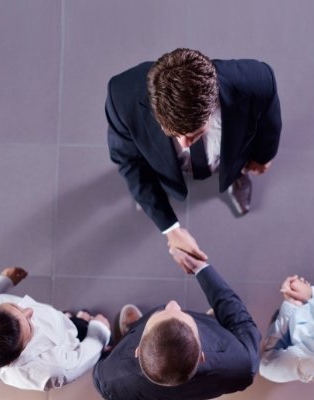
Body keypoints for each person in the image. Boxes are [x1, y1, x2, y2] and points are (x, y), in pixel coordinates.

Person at [106, 48, 282, 267]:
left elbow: (270, 121)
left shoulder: (256, 80)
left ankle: (236, 178)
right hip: (163, 167)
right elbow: (128, 161)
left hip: (231, 156)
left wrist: (264, 156)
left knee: (236, 169)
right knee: (150, 186)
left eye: (194, 135)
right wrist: (170, 229)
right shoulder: (121, 94)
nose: (183, 145)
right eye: (173, 134)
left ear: (212, 104)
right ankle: (157, 194)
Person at [92, 249, 261, 400]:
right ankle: (212, 322)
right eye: (181, 313)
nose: (172, 304)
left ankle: (132, 329)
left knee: (131, 336)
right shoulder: (242, 364)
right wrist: (200, 268)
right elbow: (241, 321)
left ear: (138, 350)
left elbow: (99, 369)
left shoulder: (110, 379)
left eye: (163, 312)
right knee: (214, 325)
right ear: (201, 355)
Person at [0, 267, 111, 391]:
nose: (30, 310)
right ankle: (99, 342)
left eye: (14, 306)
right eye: (29, 324)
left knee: (66, 321)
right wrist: (99, 332)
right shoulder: (48, 369)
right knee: (85, 336)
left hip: (57, 324)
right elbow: (78, 362)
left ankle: (70, 320)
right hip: (68, 344)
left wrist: (3, 281)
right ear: (15, 357)